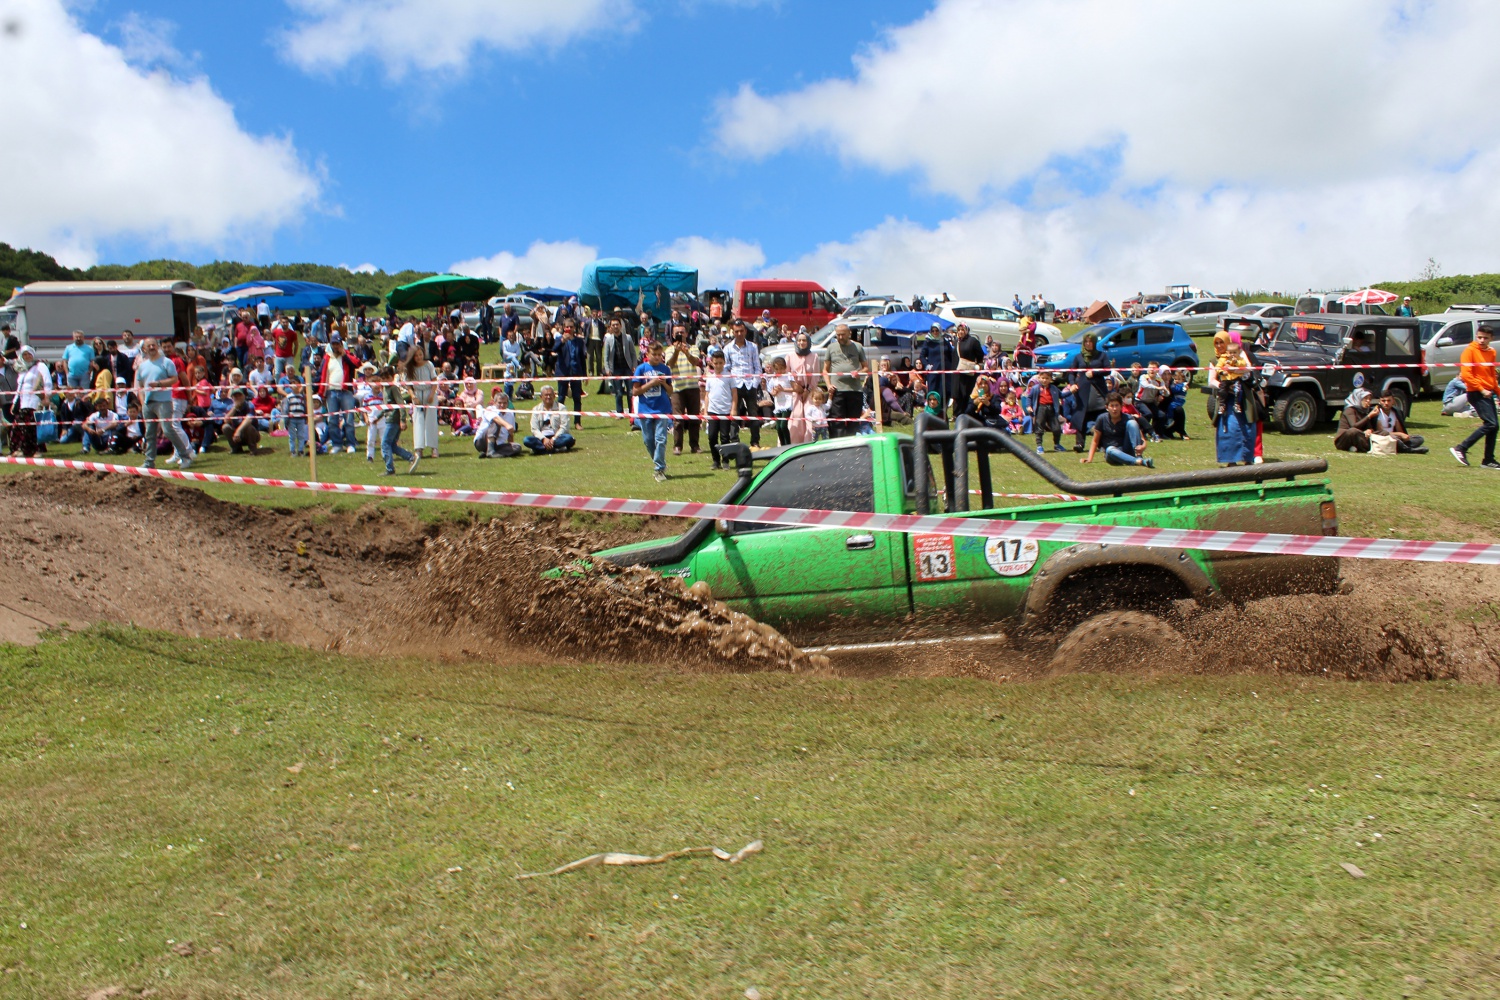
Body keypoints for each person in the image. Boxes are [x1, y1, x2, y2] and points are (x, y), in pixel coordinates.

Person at [133, 338, 193, 470]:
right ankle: (149, 462)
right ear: (145, 349)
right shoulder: (142, 366)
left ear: (157, 346)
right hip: (148, 403)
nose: (152, 347)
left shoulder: (167, 362)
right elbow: (141, 386)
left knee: (168, 430)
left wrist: (159, 384)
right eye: (149, 346)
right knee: (149, 433)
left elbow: (175, 379)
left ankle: (185, 456)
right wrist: (143, 402)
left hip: (164, 402)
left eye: (154, 345)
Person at [1451, 322, 1499, 468]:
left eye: (1485, 338)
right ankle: (1461, 448)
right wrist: (1481, 389)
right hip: (1476, 392)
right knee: (1491, 423)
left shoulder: (1491, 352)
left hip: (1488, 392)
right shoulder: (1469, 351)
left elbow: (1491, 374)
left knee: (1494, 426)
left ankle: (1488, 460)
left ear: (1491, 338)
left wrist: (1497, 391)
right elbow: (1466, 375)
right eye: (1479, 337)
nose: (1482, 340)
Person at [633, 340, 675, 482]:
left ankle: (659, 468)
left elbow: (671, 391)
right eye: (654, 354)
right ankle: (658, 462)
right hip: (645, 410)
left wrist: (663, 383)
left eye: (659, 354)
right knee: (648, 440)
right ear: (647, 354)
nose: (657, 357)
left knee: (661, 439)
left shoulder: (665, 369)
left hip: (662, 409)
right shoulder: (641, 369)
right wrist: (651, 383)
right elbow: (635, 391)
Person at [1082, 392, 1154, 468]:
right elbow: (1095, 441)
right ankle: (1139, 461)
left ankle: (1138, 457)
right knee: (1110, 450)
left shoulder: (1128, 418)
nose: (1114, 409)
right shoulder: (1102, 419)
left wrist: (1143, 447)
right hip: (1112, 453)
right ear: (1107, 407)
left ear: (1121, 406)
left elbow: (1142, 439)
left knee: (1132, 423)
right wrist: (1089, 459)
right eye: (1112, 406)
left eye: (1117, 405)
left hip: (1127, 449)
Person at [822, 323, 868, 439]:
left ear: (849, 334)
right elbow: (825, 370)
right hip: (837, 390)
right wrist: (828, 385)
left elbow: (866, 368)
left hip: (854, 390)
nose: (840, 337)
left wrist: (859, 373)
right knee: (837, 421)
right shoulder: (831, 348)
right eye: (838, 335)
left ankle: (851, 444)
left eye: (843, 334)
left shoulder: (858, 347)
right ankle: (837, 445)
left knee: (853, 421)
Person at [372, 366, 420, 475]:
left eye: (387, 377)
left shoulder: (393, 388)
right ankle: (411, 457)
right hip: (389, 419)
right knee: (392, 445)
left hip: (394, 420)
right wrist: (378, 417)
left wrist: (403, 420)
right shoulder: (385, 389)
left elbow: (400, 404)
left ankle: (390, 469)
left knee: (385, 444)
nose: (384, 380)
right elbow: (386, 406)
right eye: (382, 378)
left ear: (392, 377)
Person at [723, 321, 763, 447]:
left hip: (750, 384)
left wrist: (755, 384)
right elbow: (726, 368)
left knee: (753, 414)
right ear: (732, 332)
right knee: (734, 413)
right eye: (736, 331)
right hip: (735, 385)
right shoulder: (727, 348)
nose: (739, 334)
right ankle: (734, 440)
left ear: (745, 331)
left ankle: (755, 441)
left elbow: (757, 366)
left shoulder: (753, 347)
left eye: (741, 331)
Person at [1069, 331, 1111, 451]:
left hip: (1098, 391)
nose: (1088, 344)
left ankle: (1102, 444)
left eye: (1090, 342)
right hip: (1082, 392)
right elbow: (1071, 373)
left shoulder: (1102, 355)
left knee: (1101, 417)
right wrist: (1072, 384)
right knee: (1081, 417)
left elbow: (1108, 370)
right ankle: (1079, 444)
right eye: (1086, 342)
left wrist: (1095, 372)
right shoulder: (1078, 357)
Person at [666, 326, 702, 456]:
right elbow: (670, 364)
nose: (680, 334)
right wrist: (677, 351)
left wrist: (686, 352)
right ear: (673, 334)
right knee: (678, 419)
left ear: (686, 333)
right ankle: (677, 446)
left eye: (682, 332)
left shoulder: (693, 348)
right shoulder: (670, 349)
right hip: (677, 389)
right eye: (677, 333)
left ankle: (695, 445)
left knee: (694, 418)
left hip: (692, 387)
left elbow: (695, 362)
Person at [402, 345, 440, 459]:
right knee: (418, 420)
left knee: (431, 421)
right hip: (418, 394)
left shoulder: (428, 364)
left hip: (429, 393)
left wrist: (432, 395)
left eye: (420, 355)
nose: (419, 357)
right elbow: (408, 384)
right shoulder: (409, 368)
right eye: (416, 355)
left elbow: (434, 380)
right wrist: (413, 396)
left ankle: (434, 448)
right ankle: (418, 448)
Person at [702, 350, 737, 470]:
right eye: (715, 363)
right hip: (712, 411)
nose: (718, 365)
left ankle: (725, 460)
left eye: (720, 363)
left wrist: (733, 409)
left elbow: (734, 394)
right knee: (712, 436)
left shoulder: (729, 376)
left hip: (725, 411)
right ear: (711, 362)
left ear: (724, 362)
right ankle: (715, 460)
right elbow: (707, 395)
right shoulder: (710, 378)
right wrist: (705, 411)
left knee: (724, 437)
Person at [785, 330, 819, 444]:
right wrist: (794, 385)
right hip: (795, 391)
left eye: (804, 340)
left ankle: (808, 442)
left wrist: (808, 390)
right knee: (797, 416)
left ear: (808, 342)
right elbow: (786, 374)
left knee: (809, 415)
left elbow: (816, 376)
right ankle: (794, 443)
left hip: (809, 391)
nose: (801, 343)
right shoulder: (790, 356)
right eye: (799, 340)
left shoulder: (814, 357)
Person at [525, 384, 575, 455]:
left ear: (554, 396)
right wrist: (544, 439)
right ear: (541, 397)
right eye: (546, 395)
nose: (548, 397)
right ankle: (553, 448)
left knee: (568, 438)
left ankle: (542, 449)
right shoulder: (536, 409)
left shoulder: (561, 408)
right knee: (527, 440)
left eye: (550, 395)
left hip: (557, 437)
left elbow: (564, 426)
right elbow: (534, 429)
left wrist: (553, 439)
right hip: (542, 438)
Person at [1025, 369, 1066, 454]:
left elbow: (1061, 395)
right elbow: (1029, 397)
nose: (1045, 380)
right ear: (1039, 378)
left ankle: (1057, 445)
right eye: (1043, 378)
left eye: (1047, 378)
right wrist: (1029, 406)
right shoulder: (1035, 388)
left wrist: (1071, 391)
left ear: (1051, 379)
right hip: (1041, 408)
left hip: (1052, 409)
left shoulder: (1054, 388)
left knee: (1057, 428)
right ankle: (1039, 446)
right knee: (1039, 427)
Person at [554, 322, 588, 426]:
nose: (569, 328)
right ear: (564, 328)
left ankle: (577, 422)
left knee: (577, 398)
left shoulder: (579, 341)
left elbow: (582, 359)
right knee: (561, 398)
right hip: (563, 372)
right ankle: (559, 422)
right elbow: (554, 349)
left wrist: (584, 375)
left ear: (574, 328)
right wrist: (562, 341)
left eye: (571, 327)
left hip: (576, 372)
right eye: (567, 327)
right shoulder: (559, 339)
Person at [474, 387, 521, 458]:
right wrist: (507, 425)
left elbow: (510, 433)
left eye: (505, 403)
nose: (502, 405)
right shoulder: (489, 409)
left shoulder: (510, 413)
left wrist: (510, 445)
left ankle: (488, 453)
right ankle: (490, 451)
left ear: (508, 403)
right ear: (494, 402)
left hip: (498, 444)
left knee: (517, 447)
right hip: (481, 441)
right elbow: (496, 418)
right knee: (496, 422)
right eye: (499, 403)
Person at [224, 387, 261, 454]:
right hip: (236, 436)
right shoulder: (229, 407)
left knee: (248, 426)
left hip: (251, 434)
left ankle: (253, 449)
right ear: (232, 397)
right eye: (235, 396)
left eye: (240, 395)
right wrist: (235, 408)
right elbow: (226, 420)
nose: (238, 398)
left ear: (244, 396)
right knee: (225, 427)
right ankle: (236, 448)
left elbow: (249, 419)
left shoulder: (249, 405)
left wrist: (238, 431)